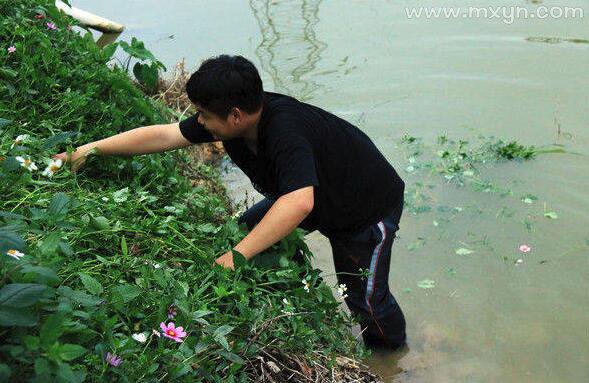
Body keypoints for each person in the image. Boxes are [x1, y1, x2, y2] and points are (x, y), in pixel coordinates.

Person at [55, 54, 407, 350]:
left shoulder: (286, 130)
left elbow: (298, 202)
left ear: (236, 115)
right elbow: (164, 134)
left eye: (205, 115)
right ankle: (299, 298)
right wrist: (89, 150)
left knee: (368, 303)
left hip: (364, 210)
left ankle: (393, 361)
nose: (200, 122)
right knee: (247, 228)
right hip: (320, 197)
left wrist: (235, 258)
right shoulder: (229, 123)